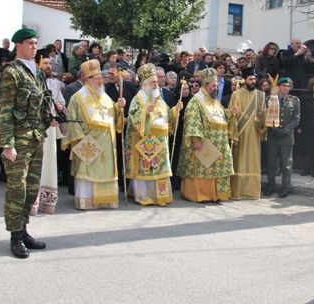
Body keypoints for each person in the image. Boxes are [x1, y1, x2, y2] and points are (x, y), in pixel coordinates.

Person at [0, 28, 56, 259]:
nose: (34, 46)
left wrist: (50, 117)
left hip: (35, 137)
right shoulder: (12, 72)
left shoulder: (37, 72)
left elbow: (43, 101)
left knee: (31, 189)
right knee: (17, 189)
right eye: (30, 43)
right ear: (18, 45)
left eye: (35, 43)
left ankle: (23, 230)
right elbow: (5, 110)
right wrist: (7, 144)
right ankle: (14, 236)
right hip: (18, 140)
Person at [64, 59, 126, 209]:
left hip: (106, 143)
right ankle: (87, 201)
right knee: (88, 173)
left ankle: (105, 200)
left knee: (105, 171)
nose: (101, 81)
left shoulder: (105, 96)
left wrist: (119, 107)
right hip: (88, 141)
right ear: (88, 79)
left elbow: (113, 116)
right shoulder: (77, 98)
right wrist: (80, 142)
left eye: (101, 78)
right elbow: (71, 121)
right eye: (97, 78)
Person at [124, 64, 182, 206]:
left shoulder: (159, 99)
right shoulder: (139, 98)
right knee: (146, 170)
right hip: (145, 141)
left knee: (159, 169)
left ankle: (160, 196)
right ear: (145, 84)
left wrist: (175, 110)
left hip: (161, 141)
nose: (157, 84)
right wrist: (145, 112)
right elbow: (132, 118)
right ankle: (144, 196)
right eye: (153, 82)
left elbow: (166, 115)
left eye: (157, 81)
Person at [177, 67, 237, 202]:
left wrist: (230, 113)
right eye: (213, 85)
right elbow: (193, 121)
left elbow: (220, 116)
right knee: (203, 168)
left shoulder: (215, 101)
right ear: (205, 85)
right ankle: (202, 195)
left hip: (219, 143)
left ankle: (216, 194)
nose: (215, 88)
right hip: (204, 143)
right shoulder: (196, 101)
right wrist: (196, 139)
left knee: (215, 169)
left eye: (216, 85)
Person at [32, 57, 65, 215]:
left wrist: (60, 107)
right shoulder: (32, 81)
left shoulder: (56, 84)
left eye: (50, 64)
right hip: (36, 128)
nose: (48, 66)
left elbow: (61, 102)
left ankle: (46, 200)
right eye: (45, 63)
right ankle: (31, 200)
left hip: (50, 130)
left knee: (49, 163)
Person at [229, 68, 266, 200]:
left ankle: (252, 192)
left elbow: (263, 115)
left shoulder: (261, 95)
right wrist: (234, 135)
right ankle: (238, 192)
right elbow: (231, 118)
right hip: (240, 134)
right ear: (245, 80)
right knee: (239, 162)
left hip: (255, 134)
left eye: (254, 79)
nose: (253, 81)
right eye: (250, 79)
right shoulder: (236, 95)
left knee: (253, 161)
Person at [263, 77, 300, 198]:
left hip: (287, 136)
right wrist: (274, 129)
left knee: (286, 164)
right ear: (278, 87)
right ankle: (271, 185)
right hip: (273, 135)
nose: (286, 88)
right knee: (271, 162)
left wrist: (285, 130)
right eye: (284, 85)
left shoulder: (294, 100)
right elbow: (266, 116)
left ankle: (286, 187)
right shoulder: (270, 99)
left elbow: (296, 119)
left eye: (288, 86)